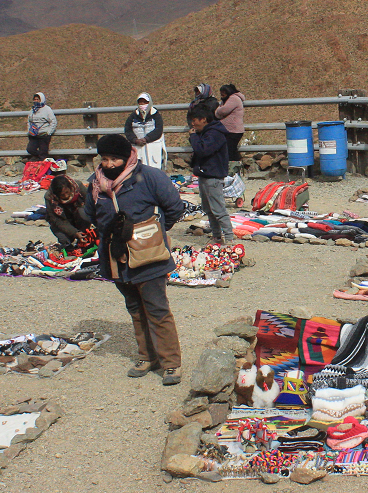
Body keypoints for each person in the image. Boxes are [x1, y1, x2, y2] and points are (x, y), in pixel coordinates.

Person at [86, 133, 185, 383]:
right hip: (116, 257)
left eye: (114, 159)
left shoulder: (149, 177)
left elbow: (174, 207)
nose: (109, 165)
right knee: (134, 308)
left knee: (157, 308)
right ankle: (147, 355)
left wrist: (157, 233)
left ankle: (171, 362)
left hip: (149, 255)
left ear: (126, 157)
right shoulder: (95, 184)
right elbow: (90, 214)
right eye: (105, 159)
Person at [187, 102, 233, 243]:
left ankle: (229, 239)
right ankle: (217, 236)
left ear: (204, 119)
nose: (192, 124)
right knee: (209, 209)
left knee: (218, 210)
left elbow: (203, 150)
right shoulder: (206, 133)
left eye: (194, 120)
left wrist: (193, 137)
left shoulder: (214, 134)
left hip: (213, 177)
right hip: (204, 175)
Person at [45, 174, 92, 250]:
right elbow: (57, 220)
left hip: (79, 217)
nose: (66, 196)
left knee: (83, 212)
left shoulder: (78, 187)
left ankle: (85, 235)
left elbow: (92, 204)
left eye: (67, 192)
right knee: (64, 239)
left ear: (70, 188)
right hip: (64, 220)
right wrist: (75, 233)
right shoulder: (50, 198)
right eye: (62, 195)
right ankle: (70, 243)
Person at [125, 92, 166, 169]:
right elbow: (128, 130)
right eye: (140, 102)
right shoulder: (133, 116)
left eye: (145, 102)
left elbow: (159, 129)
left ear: (149, 102)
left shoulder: (155, 114)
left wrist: (147, 139)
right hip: (138, 147)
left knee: (154, 168)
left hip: (153, 147)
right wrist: (135, 140)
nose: (142, 104)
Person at [215, 84, 247, 166]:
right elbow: (219, 113)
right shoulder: (226, 100)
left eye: (223, 93)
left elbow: (222, 111)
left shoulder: (233, 99)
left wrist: (218, 110)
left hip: (233, 130)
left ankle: (234, 170)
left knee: (230, 151)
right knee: (229, 150)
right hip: (229, 130)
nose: (222, 95)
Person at [26, 92, 57, 160]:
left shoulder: (47, 109)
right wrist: (29, 130)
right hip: (34, 135)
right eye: (35, 99)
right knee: (30, 149)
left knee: (43, 152)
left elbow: (53, 121)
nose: (36, 101)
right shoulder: (32, 110)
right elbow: (29, 121)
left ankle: (42, 166)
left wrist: (49, 132)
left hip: (44, 135)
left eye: (38, 99)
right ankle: (39, 158)